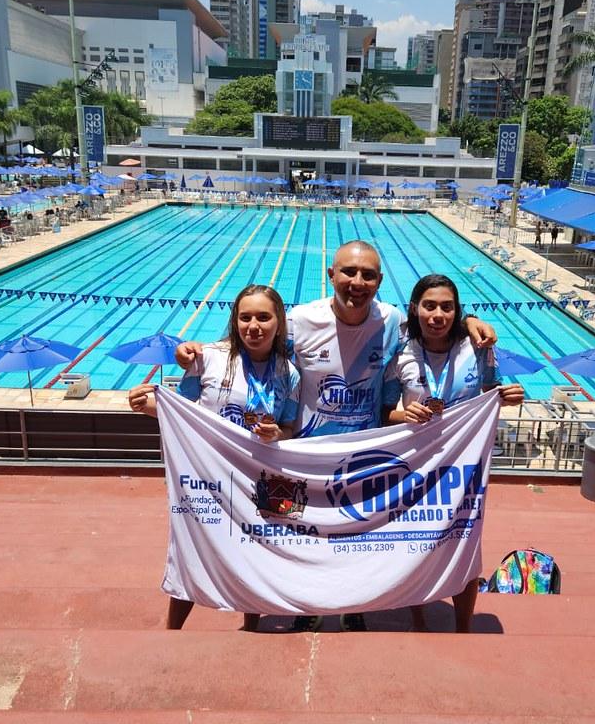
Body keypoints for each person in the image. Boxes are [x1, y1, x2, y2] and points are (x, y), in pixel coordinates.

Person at [176, 241, 497, 632]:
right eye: (348, 272)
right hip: (302, 457)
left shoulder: (391, 321)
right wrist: (203, 353)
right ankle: (300, 605)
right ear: (331, 275)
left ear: (380, 281)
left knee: (356, 539)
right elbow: (256, 338)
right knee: (293, 538)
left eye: (367, 275)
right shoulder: (300, 320)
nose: (357, 282)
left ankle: (354, 604)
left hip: (362, 455)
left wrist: (470, 320)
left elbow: (431, 322)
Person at [128, 284, 300, 632]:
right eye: (245, 317)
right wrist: (144, 404)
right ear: (235, 321)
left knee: (256, 553)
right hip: (208, 477)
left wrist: (277, 434)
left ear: (279, 323)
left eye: (263, 317)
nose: (254, 325)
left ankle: (251, 624)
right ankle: (172, 630)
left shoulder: (289, 374)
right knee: (195, 549)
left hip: (258, 478)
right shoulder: (209, 358)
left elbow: (291, 428)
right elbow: (181, 409)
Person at [381, 274, 524, 633]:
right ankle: (419, 619)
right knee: (415, 542)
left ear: (457, 311)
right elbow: (383, 412)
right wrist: (403, 414)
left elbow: (492, 391)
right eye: (430, 306)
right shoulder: (400, 353)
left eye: (447, 307)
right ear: (415, 309)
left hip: (465, 464)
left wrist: (508, 396)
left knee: (465, 544)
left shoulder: (478, 348)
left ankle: (463, 627)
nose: (438, 315)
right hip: (418, 462)